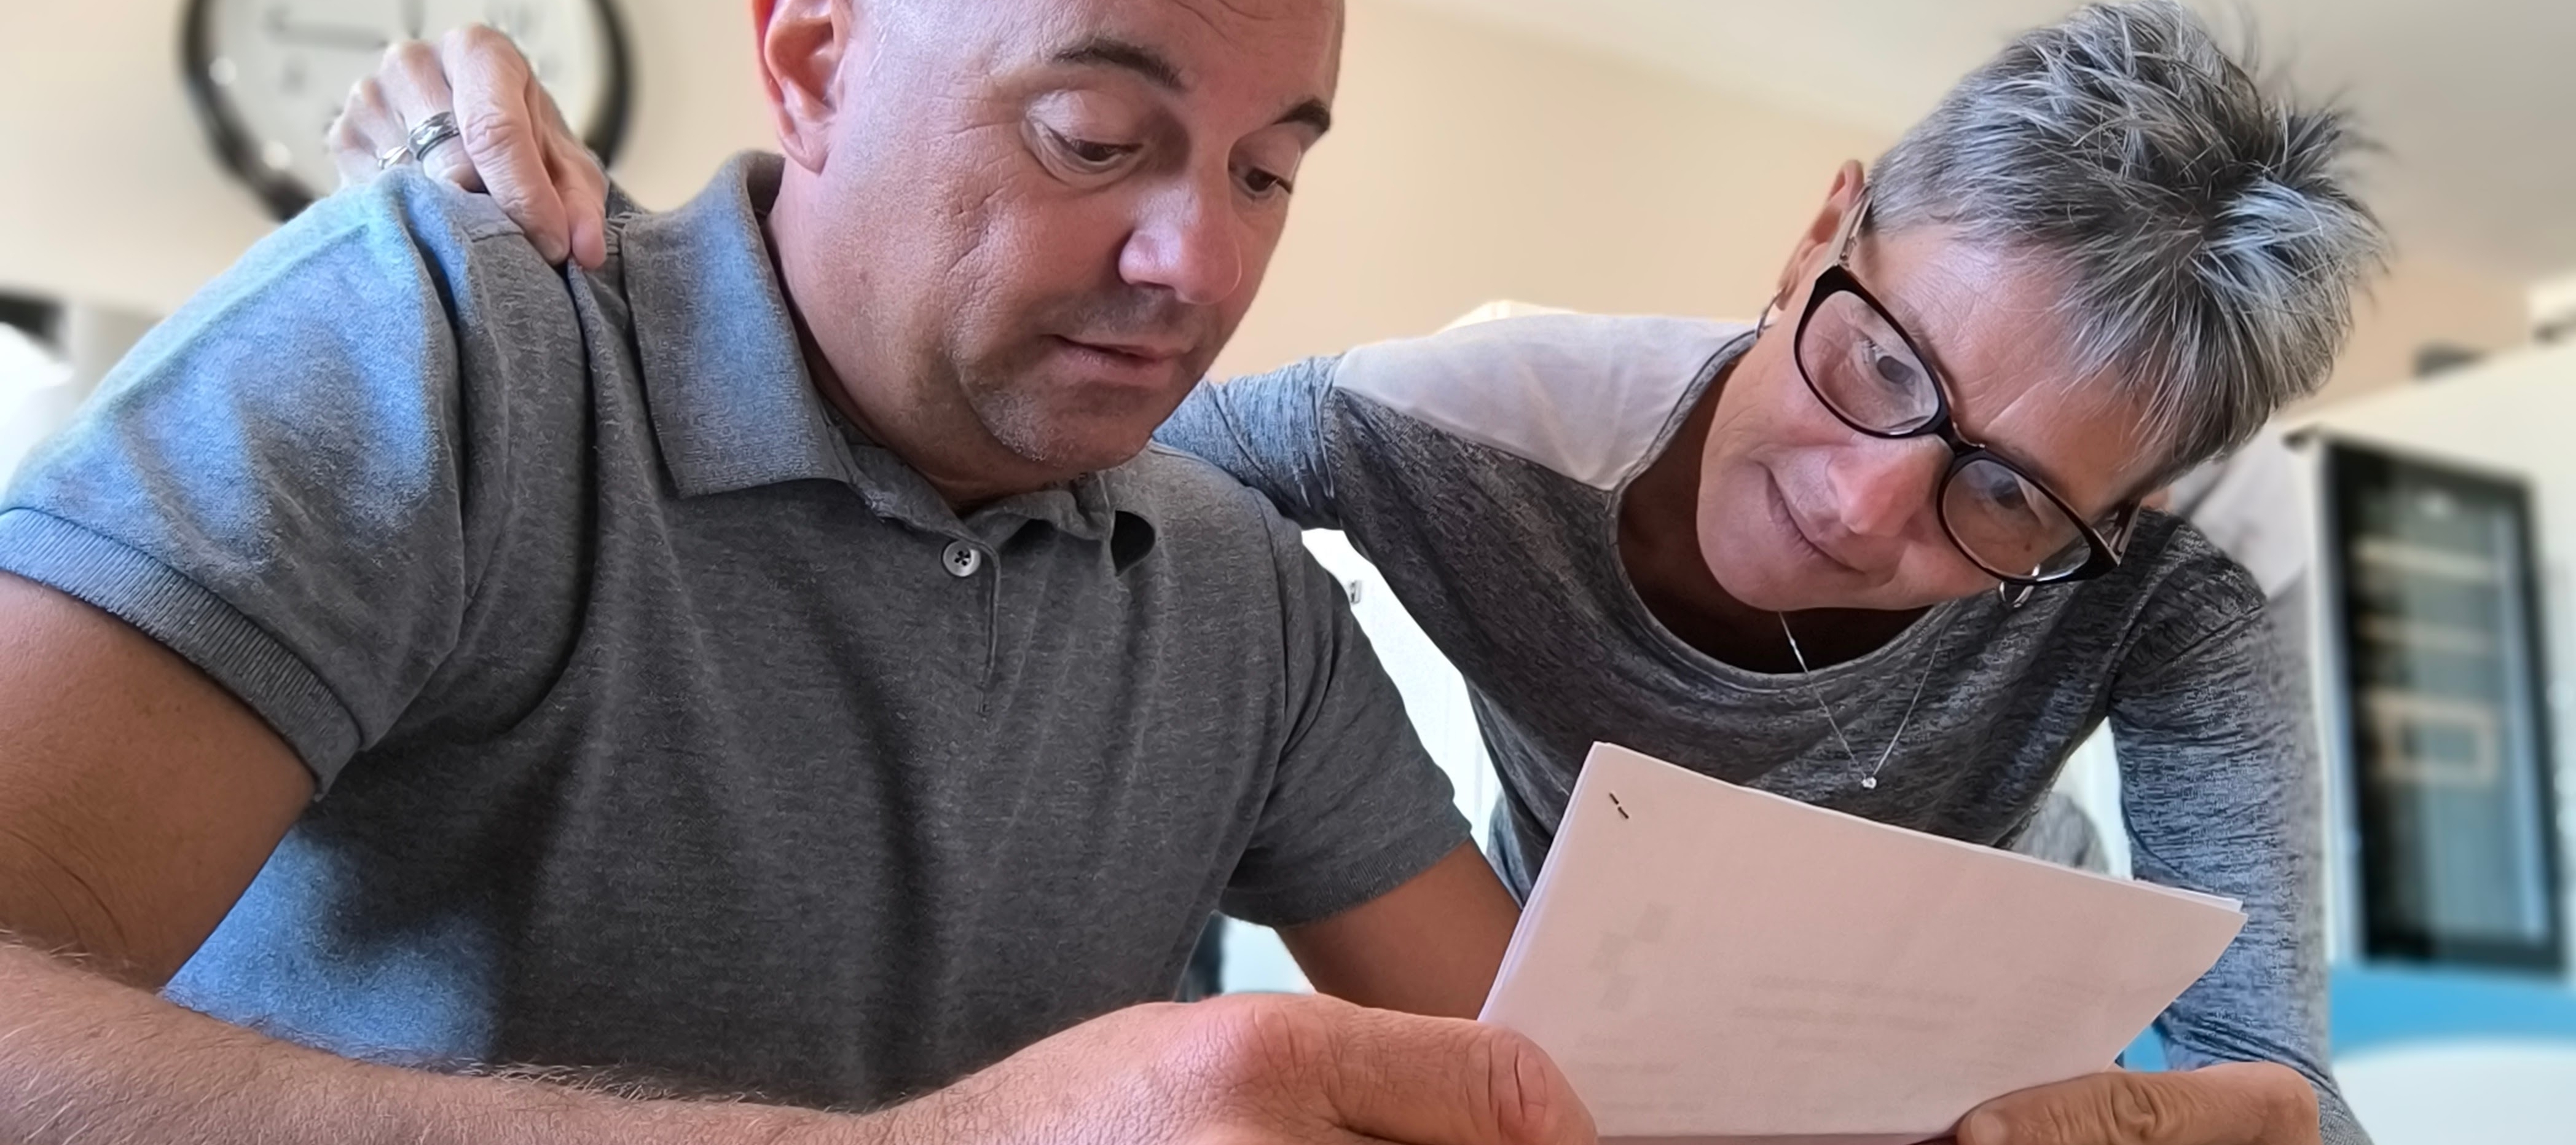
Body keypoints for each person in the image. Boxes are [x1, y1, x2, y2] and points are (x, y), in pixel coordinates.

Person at [355, 2, 2389, 1143]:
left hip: (1959, 1061)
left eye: (2007, 506)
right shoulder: (1460, 424)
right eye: (1878, 368)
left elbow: (2273, 1083)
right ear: (1820, 234)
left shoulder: (2175, 586)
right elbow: (1023, 429)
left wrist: (2193, 1124)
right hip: (1567, 1000)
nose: (1870, 509)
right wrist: (617, 267)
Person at [0, 1, 1590, 1143]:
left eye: (1264, 174)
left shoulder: (1244, 597)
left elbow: (1541, 1082)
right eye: (1096, 138)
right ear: (813, 60)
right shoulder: (438, 347)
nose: (1206, 264)